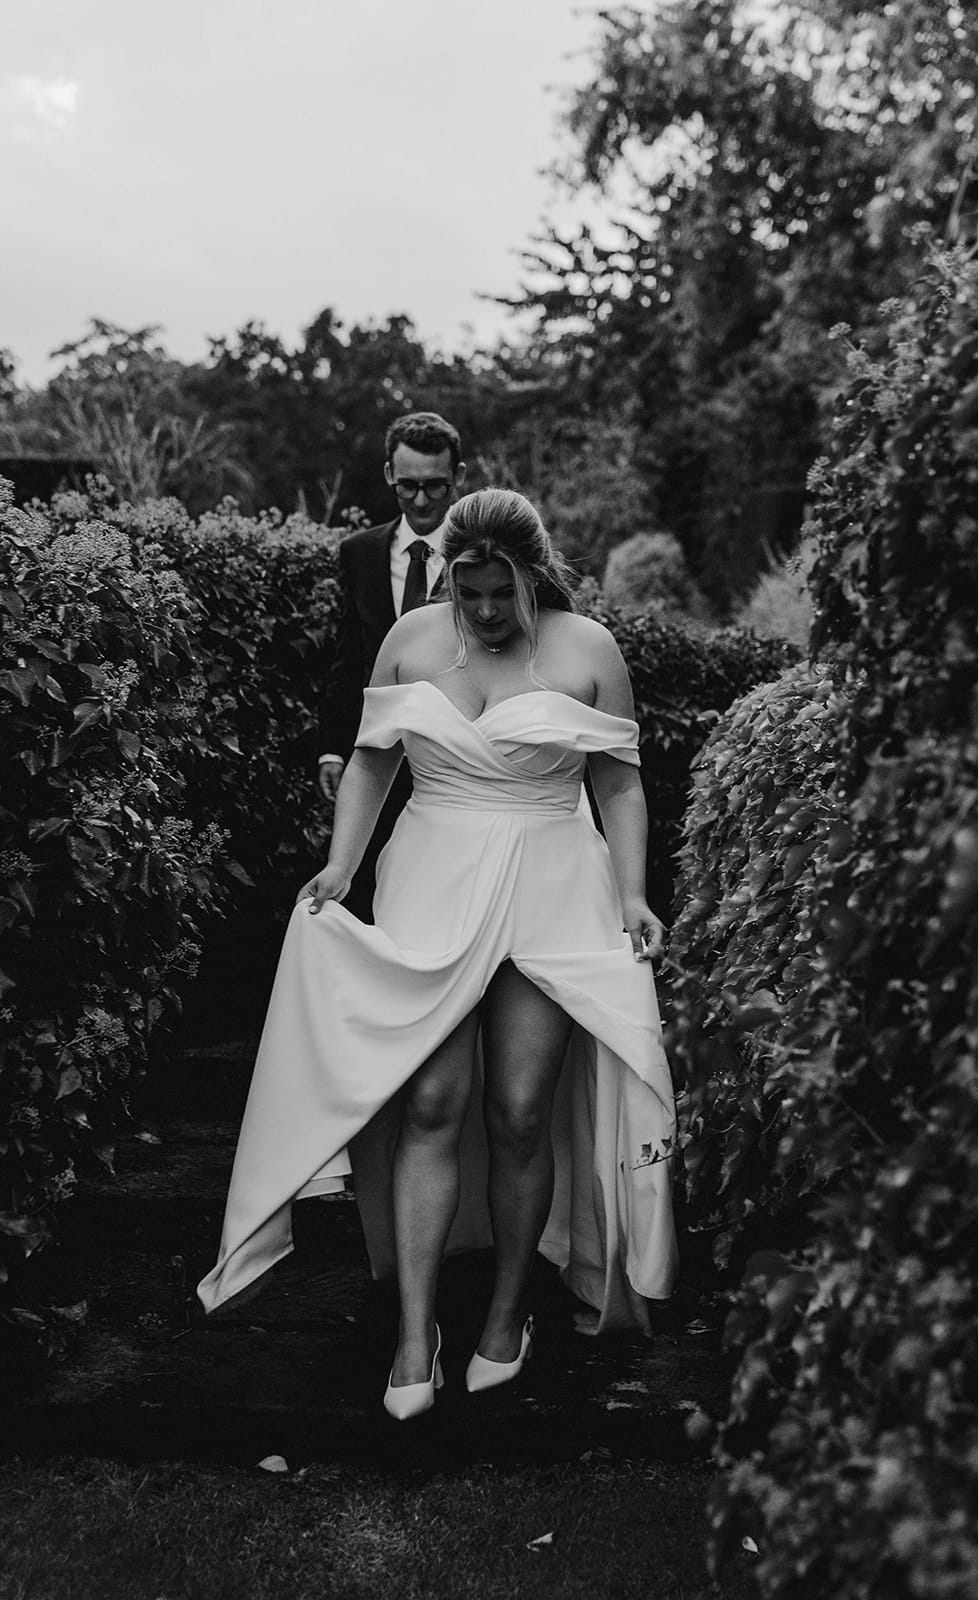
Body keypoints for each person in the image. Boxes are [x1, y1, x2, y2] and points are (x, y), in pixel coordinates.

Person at [198, 489, 678, 1420]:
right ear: (449, 577)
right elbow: (373, 759)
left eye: (502, 592)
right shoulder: (411, 640)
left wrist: (630, 892)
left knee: (522, 1108)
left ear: (533, 576)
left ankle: (506, 1315)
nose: (486, 611)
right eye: (469, 590)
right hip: (431, 878)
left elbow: (618, 785)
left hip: (551, 883)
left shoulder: (588, 650)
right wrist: (341, 866)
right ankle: (414, 1333)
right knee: (429, 1099)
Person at [318, 411, 466, 915]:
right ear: (389, 476)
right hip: (377, 752)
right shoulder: (359, 552)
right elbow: (349, 658)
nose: (422, 501)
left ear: (458, 478)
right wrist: (334, 751)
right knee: (369, 896)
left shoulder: (480, 553)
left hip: (455, 762)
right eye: (408, 487)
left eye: (435, 486)